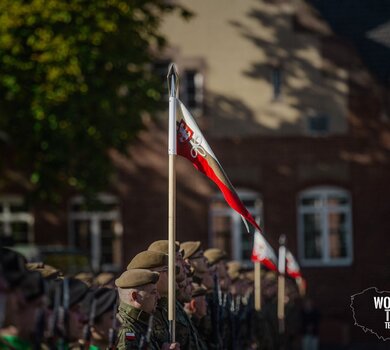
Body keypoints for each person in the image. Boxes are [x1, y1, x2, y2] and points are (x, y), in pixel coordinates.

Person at [115, 268, 179, 350]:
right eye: (153, 292)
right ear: (135, 297)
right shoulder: (127, 331)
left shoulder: (140, 322)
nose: (158, 297)